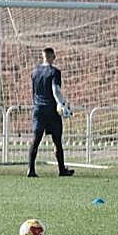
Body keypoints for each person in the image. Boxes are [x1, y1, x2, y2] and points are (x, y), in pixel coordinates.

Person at [27, 47, 75, 178]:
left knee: (36, 139)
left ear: (43, 56)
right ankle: (62, 170)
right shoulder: (54, 72)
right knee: (57, 141)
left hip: (38, 109)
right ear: (53, 56)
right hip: (51, 110)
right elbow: (56, 90)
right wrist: (62, 104)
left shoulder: (34, 72)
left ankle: (31, 170)